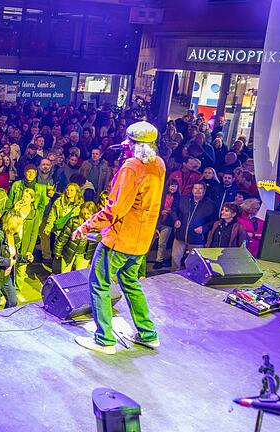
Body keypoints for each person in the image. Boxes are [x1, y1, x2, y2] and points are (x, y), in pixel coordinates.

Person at [72, 121, 164, 355]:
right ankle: (147, 334)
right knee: (130, 282)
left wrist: (86, 226)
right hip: (142, 241)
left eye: (128, 144)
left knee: (99, 283)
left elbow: (115, 209)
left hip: (120, 240)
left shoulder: (132, 167)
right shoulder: (159, 164)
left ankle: (105, 340)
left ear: (133, 145)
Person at [0, 212, 33, 312]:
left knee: (12, 301)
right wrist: (7, 262)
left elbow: (13, 256)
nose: (22, 227)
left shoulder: (14, 237)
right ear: (14, 225)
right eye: (20, 224)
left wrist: (25, 258)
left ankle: (1, 318)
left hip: (6, 275)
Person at [171, 182, 215, 271]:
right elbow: (174, 210)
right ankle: (174, 275)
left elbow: (213, 221)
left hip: (197, 238)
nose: (197, 191)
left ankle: (192, 279)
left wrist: (204, 228)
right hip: (180, 235)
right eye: (195, 188)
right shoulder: (184, 200)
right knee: (175, 258)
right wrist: (176, 219)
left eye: (200, 189)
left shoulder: (210, 204)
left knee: (194, 262)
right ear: (192, 190)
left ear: (204, 191)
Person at [54, 201, 98, 272]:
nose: (86, 216)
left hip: (84, 254)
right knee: (64, 275)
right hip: (69, 251)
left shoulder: (96, 226)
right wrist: (57, 252)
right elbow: (63, 237)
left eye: (88, 214)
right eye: (84, 213)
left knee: (79, 276)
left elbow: (95, 243)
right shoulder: (73, 221)